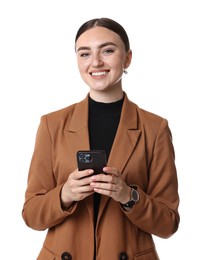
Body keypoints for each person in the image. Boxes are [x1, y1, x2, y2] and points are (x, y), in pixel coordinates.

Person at [22, 17, 180, 260]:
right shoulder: (51, 125)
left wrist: (128, 196)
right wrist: (65, 194)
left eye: (107, 50)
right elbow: (31, 215)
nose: (95, 62)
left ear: (127, 58)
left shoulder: (155, 128)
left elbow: (168, 223)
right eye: (84, 54)